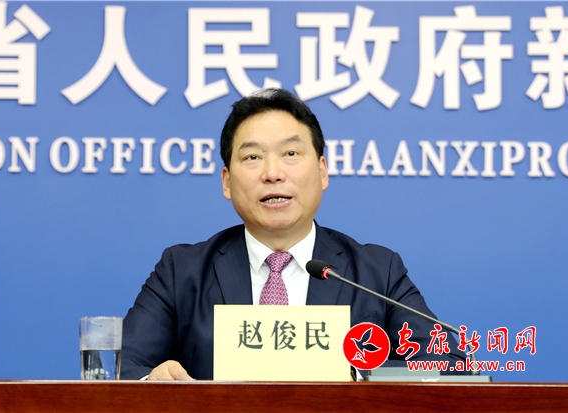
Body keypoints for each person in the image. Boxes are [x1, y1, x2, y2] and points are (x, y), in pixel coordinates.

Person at [121, 88, 467, 380]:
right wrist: (153, 382)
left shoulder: (377, 272)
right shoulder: (181, 271)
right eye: (252, 157)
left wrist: (358, 376)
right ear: (227, 182)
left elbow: (451, 369)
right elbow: (124, 369)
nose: (272, 173)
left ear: (322, 171)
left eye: (290, 153)